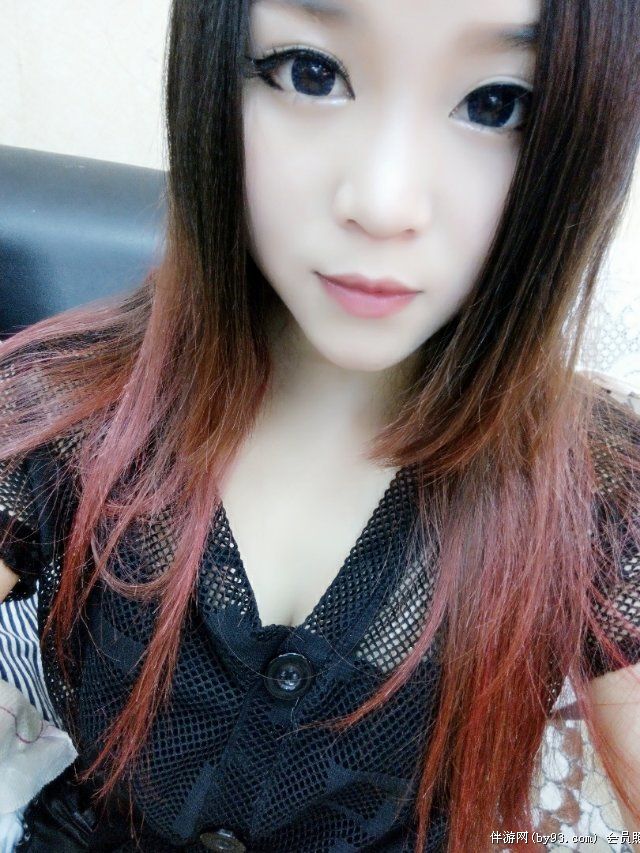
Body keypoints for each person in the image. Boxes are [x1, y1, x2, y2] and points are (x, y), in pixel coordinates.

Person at [1, 0, 639, 850]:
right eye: (311, 72)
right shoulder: (63, 406)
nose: (383, 202)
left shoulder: (598, 485)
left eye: (497, 104)